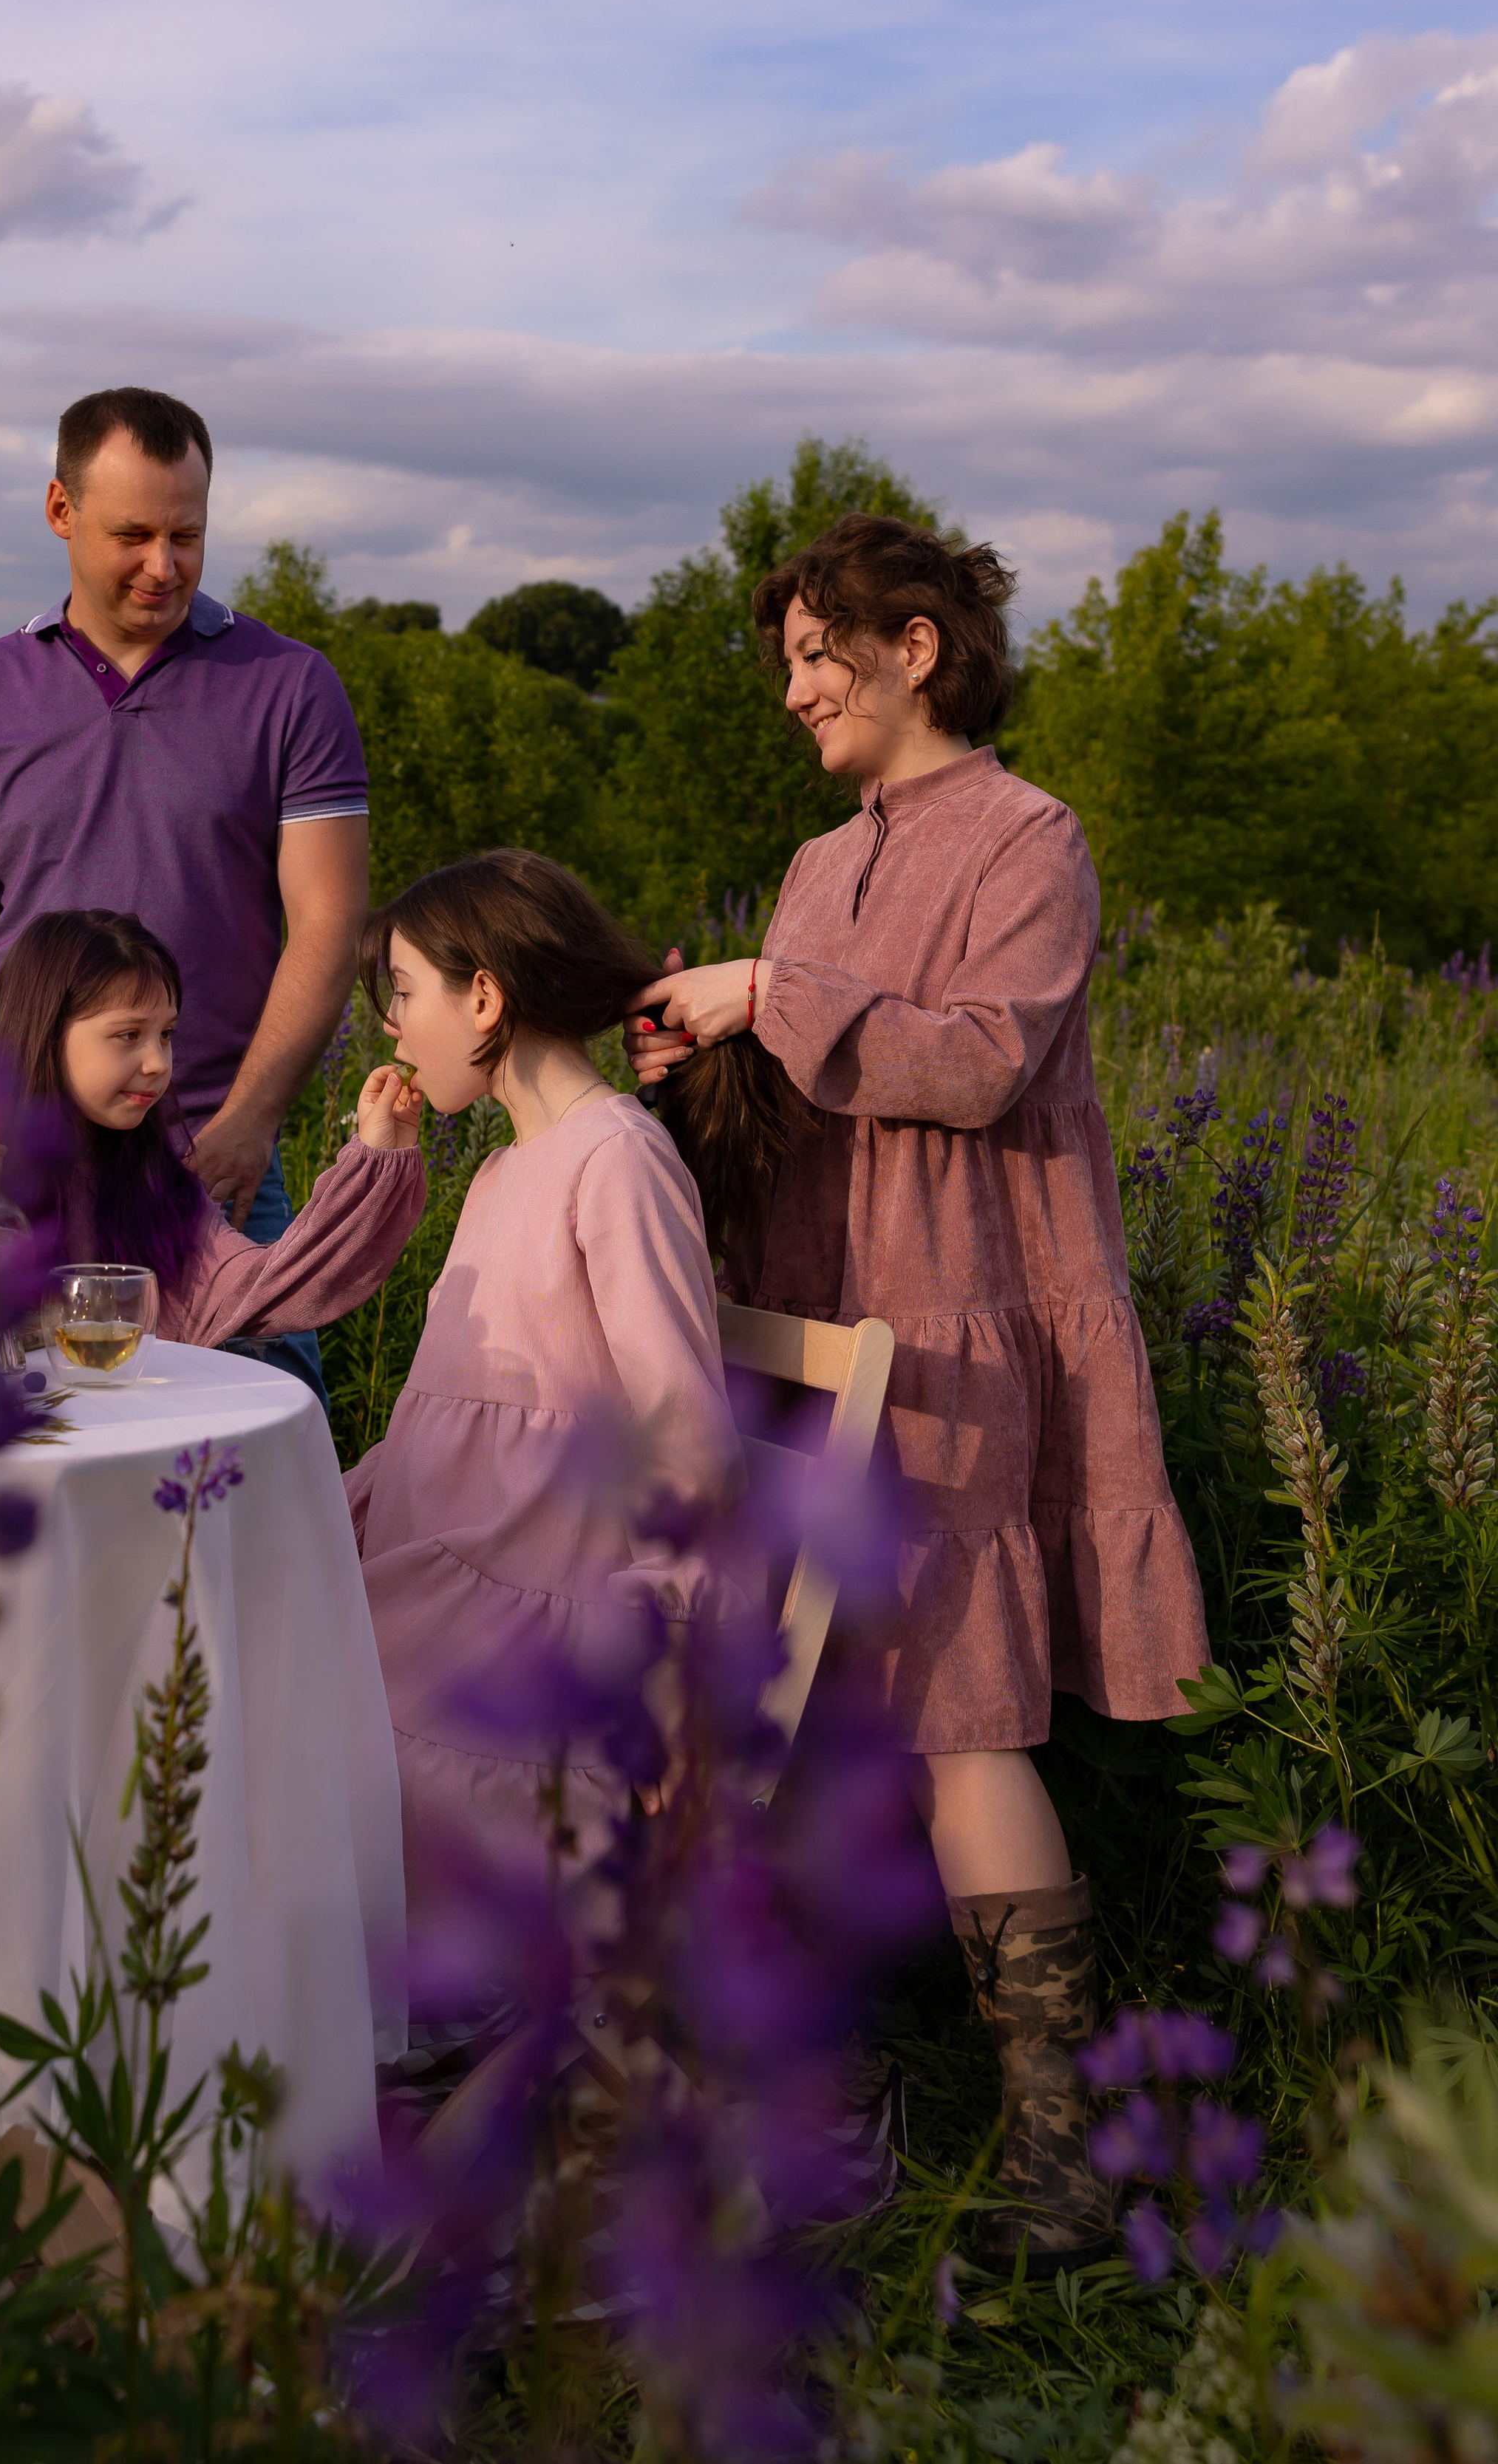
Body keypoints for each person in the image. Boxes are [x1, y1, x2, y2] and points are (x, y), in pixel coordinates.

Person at [626, 511, 1210, 2273]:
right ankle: (825, 2072)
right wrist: (698, 1055)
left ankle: (1058, 2147)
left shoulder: (1033, 837)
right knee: (808, 1693)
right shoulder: (817, 861)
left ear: (914, 648)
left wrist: (769, 993)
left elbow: (972, 1057)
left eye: (820, 652)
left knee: (962, 1706)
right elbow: (813, 1069)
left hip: (961, 1316)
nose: (795, 687)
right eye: (786, 658)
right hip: (815, 1311)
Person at [0, 385, 367, 1402]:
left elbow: (328, 924)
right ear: (61, 512)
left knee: (259, 1443)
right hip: (19, 1165)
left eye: (187, 533)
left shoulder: (290, 685)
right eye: (134, 533)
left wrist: (249, 1121)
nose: (165, 564)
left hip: (215, 1156)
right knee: (3, 1455)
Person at [345, 850, 746, 1886]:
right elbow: (449, 1424)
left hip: (526, 1631)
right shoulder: (502, 1165)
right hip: (445, 1583)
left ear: (483, 996)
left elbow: (684, 1436)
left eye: (401, 994)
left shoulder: (615, 1159)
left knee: (265, 1721)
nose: (391, 1027)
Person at [0, 910, 426, 1345]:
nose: (158, 1064)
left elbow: (260, 1290)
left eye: (167, 1034)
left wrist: (374, 1159)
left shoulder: (158, 1191)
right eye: (129, 1035)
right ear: (46, 1031)